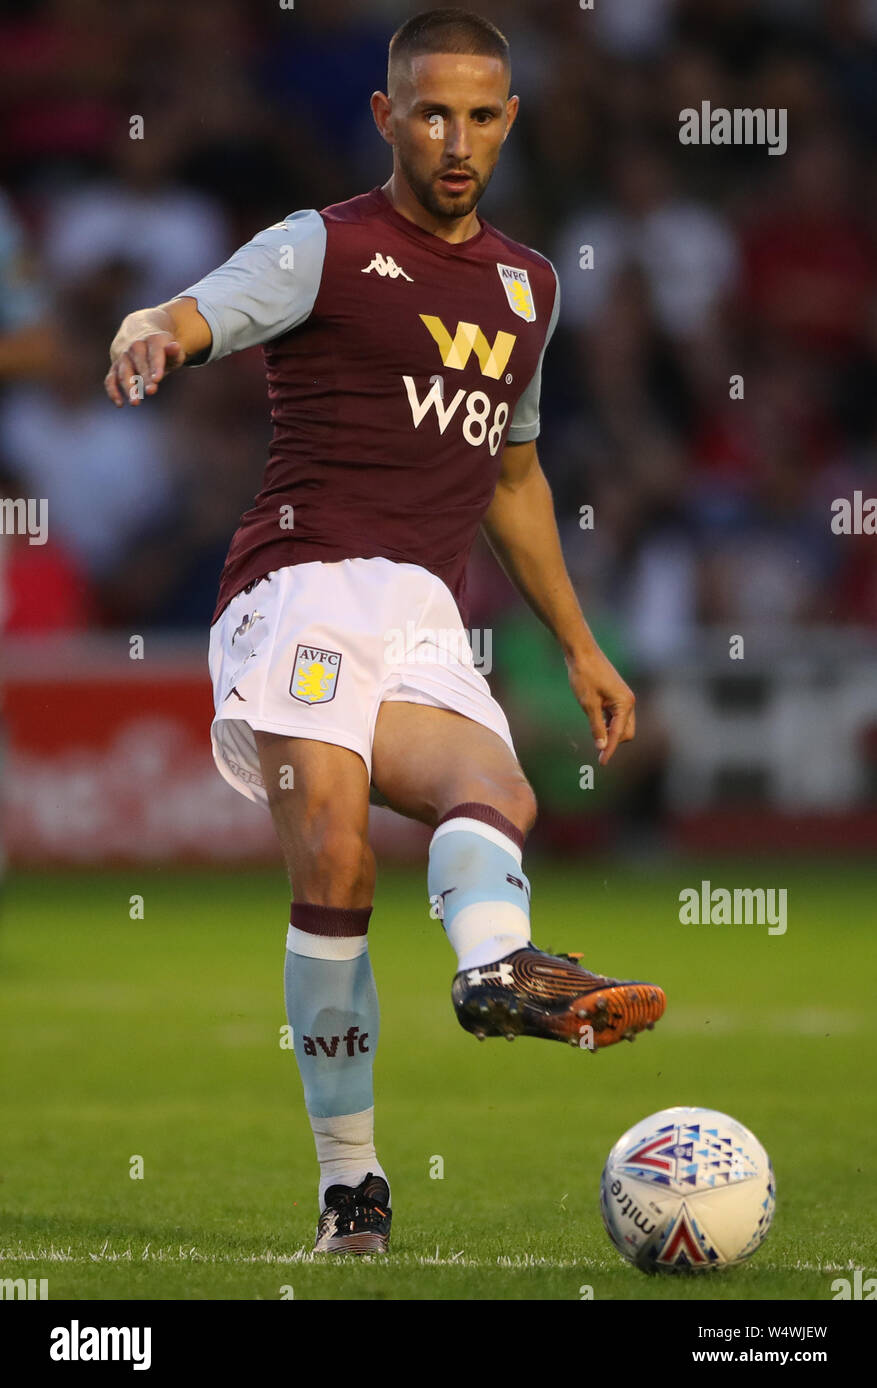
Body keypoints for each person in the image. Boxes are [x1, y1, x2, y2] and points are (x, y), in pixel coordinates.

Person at [104, 8, 665, 1257]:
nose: (455, 139)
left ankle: (495, 969)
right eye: (430, 112)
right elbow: (199, 310)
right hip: (295, 590)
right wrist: (152, 331)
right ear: (386, 115)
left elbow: (513, 478)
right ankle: (352, 1189)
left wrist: (578, 643)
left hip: (421, 604)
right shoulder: (323, 247)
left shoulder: (532, 286)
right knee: (339, 868)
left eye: (479, 115)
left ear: (510, 120)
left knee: (496, 790)